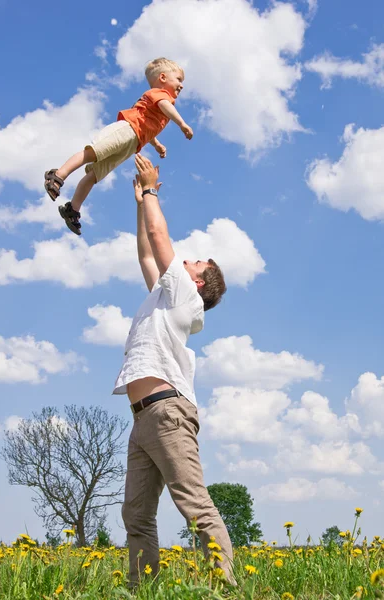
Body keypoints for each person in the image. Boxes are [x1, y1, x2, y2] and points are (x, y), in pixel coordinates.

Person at [113, 153, 234, 586]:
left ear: (199, 282)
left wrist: (151, 190)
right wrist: (138, 202)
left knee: (194, 505)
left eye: (196, 262)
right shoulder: (166, 295)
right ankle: (143, 590)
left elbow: (159, 233)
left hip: (167, 414)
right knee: (137, 515)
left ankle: (224, 589)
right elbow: (148, 253)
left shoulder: (188, 298)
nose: (188, 260)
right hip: (143, 420)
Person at [44, 57, 193, 236]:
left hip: (132, 143)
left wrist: (156, 144)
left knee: (95, 174)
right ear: (162, 78)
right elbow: (164, 106)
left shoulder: (162, 104)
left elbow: (147, 127)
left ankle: (72, 210)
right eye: (179, 79)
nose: (181, 85)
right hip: (125, 131)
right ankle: (58, 175)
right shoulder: (160, 95)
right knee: (92, 153)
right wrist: (182, 124)